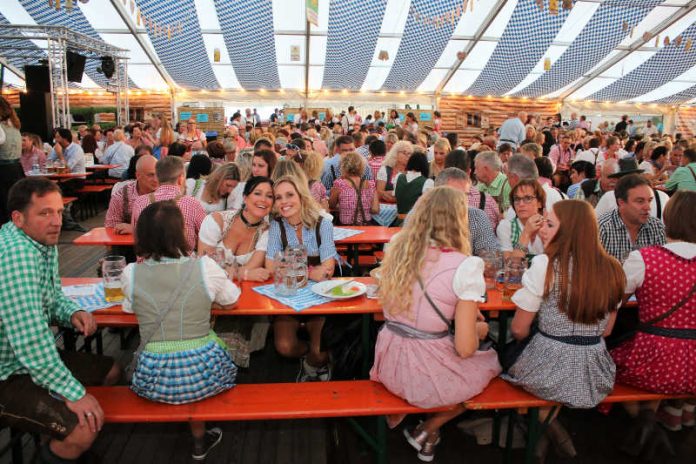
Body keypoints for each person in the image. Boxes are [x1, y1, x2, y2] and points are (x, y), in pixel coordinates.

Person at [371, 187, 501, 462]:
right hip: (422, 368)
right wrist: (478, 330)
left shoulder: (397, 250)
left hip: (389, 360)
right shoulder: (465, 266)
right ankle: (429, 427)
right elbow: (465, 348)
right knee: (492, 366)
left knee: (448, 362)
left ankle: (429, 433)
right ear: (459, 220)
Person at [0, 178, 120, 463]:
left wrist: (72, 312)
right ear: (18, 218)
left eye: (58, 211)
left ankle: (55, 441)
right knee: (82, 430)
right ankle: (63, 447)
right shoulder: (15, 255)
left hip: (26, 363)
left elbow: (52, 297)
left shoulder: (40, 239)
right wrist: (73, 393)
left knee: (112, 371)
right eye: (45, 213)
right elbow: (31, 340)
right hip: (7, 373)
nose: (56, 221)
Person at [504, 200, 625, 460]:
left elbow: (518, 330)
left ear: (569, 229)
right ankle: (547, 435)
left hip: (546, 365)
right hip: (594, 369)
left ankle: (544, 432)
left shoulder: (546, 265)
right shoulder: (613, 268)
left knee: (502, 353)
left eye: (549, 224)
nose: (542, 229)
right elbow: (606, 332)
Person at [123, 200, 239, 461]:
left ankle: (192, 430)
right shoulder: (205, 267)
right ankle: (200, 435)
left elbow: (130, 308)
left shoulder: (131, 273)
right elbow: (232, 300)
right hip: (205, 374)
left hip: (153, 379)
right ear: (182, 232)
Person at [610, 190, 696, 458]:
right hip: (693, 361)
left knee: (605, 364)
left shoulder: (645, 258)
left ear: (668, 218)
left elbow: (614, 303)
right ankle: (672, 417)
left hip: (654, 357)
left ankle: (646, 419)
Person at [265, 176, 337, 382]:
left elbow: (328, 268)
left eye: (289, 195)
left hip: (318, 299)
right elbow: (270, 266)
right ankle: (308, 357)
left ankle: (314, 363)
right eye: (278, 197)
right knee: (285, 347)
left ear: (301, 196)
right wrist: (310, 271)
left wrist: (289, 267)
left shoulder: (322, 223)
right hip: (289, 297)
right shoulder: (277, 226)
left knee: (320, 352)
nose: (284, 201)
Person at [131, 156, 206, 252]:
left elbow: (136, 237)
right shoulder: (192, 203)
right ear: (181, 178)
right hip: (183, 265)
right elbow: (205, 236)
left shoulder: (140, 202)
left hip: (146, 263)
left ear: (157, 177)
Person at [599, 174, 666, 264]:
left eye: (649, 200)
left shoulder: (657, 228)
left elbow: (662, 266)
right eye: (640, 201)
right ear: (621, 202)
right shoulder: (602, 229)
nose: (648, 207)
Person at [434, 168, 500, 255]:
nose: (462, 200)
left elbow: (490, 255)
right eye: (455, 194)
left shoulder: (476, 216)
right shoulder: (419, 217)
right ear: (436, 194)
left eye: (465, 194)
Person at [105, 154, 159, 235]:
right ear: (138, 175)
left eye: (158, 174)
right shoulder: (122, 195)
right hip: (128, 246)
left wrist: (135, 229)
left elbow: (173, 229)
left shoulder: (167, 193)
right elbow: (110, 228)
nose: (156, 179)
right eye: (150, 175)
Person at [497, 180, 546, 260]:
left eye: (528, 198)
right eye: (517, 199)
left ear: (539, 203)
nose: (521, 204)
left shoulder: (550, 227)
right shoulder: (506, 226)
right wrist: (526, 233)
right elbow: (511, 266)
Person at [329, 152, 379, 226]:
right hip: (366, 226)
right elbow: (375, 209)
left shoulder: (340, 184)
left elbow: (331, 205)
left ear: (343, 166)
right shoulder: (371, 184)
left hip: (346, 227)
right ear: (362, 167)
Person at [0, 97, 24, 224]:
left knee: (5, 208)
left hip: (3, 171)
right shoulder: (14, 126)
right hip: (16, 169)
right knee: (15, 205)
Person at [394, 152, 433, 220]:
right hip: (415, 223)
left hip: (398, 221)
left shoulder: (398, 177)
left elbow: (395, 196)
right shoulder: (428, 182)